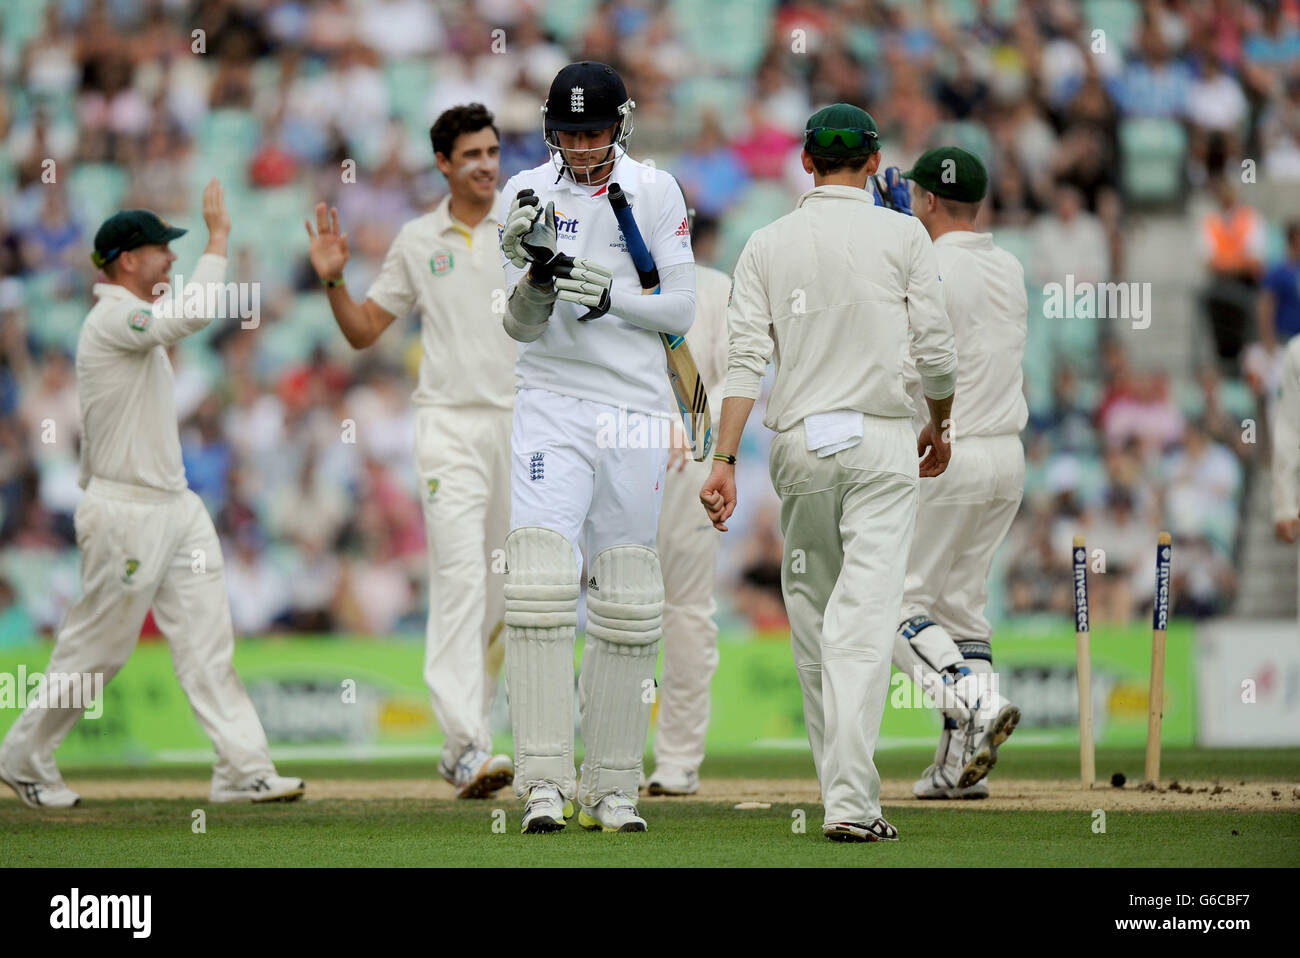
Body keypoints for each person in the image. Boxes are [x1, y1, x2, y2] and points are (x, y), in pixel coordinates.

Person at [0, 182, 305, 807]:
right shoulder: (113, 317)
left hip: (176, 505)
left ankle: (240, 768)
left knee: (207, 641)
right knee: (100, 648)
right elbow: (187, 317)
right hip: (124, 510)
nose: (171, 259)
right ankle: (24, 754)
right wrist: (220, 239)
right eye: (161, 250)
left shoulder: (131, 320)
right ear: (127, 260)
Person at [700, 104, 958, 843]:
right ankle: (849, 802)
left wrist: (722, 462)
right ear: (875, 163)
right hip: (881, 443)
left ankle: (841, 794)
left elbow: (744, 362)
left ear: (806, 163)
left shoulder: (768, 242)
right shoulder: (904, 232)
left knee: (815, 625)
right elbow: (936, 351)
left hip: (802, 446)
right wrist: (939, 423)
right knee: (862, 624)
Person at [496, 61, 695, 833]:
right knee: (541, 580)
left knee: (628, 592)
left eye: (595, 131)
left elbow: (681, 304)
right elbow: (517, 328)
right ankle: (542, 782)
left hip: (637, 406)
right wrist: (538, 281)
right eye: (570, 132)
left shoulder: (655, 188)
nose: (582, 146)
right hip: (552, 401)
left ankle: (613, 786)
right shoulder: (524, 194)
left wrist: (613, 297)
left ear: (623, 124)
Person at [305, 104, 515, 799]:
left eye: (492, 151)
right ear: (444, 165)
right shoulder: (419, 238)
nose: (486, 163)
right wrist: (335, 279)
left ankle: (474, 736)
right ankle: (464, 745)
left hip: (523, 428)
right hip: (449, 426)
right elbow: (365, 330)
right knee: (458, 578)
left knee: (504, 591)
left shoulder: (529, 222)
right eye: (472, 155)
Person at [889, 147, 1025, 799]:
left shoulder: (929, 264)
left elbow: (921, 362)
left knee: (896, 604)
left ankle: (976, 703)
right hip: (1007, 456)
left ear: (929, 201)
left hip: (950, 446)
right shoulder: (1010, 266)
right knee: (961, 609)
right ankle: (954, 769)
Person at [646, 203, 731, 797]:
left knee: (687, 613)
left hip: (691, 467)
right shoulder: (618, 283)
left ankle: (677, 758)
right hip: (617, 460)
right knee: (615, 614)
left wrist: (694, 424)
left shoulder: (718, 290)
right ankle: (612, 752)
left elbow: (738, 377)